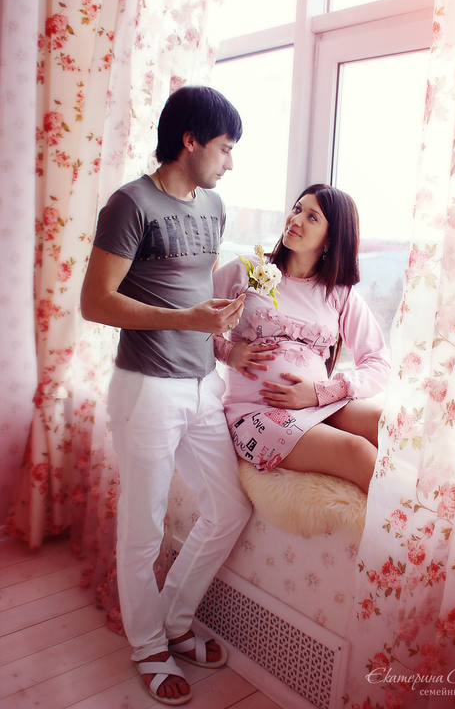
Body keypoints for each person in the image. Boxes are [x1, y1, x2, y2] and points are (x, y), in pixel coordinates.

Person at [80, 86, 252, 706]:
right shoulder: (131, 204)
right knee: (143, 529)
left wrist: (220, 329)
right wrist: (185, 320)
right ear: (190, 140)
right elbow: (95, 302)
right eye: (224, 148)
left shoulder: (215, 206)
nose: (230, 161)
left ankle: (175, 620)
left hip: (203, 383)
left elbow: (190, 289)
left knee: (228, 509)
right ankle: (148, 646)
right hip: (147, 388)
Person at [213, 184, 391, 493]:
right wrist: (228, 351)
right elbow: (186, 322)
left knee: (390, 425)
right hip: (256, 413)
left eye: (312, 217)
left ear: (331, 238)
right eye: (297, 209)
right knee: (358, 451)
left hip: (317, 405)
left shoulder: (339, 294)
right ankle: (406, 525)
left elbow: (378, 363)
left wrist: (322, 392)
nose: (295, 219)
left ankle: (438, 512)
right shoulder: (248, 269)